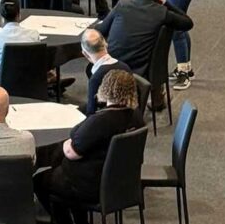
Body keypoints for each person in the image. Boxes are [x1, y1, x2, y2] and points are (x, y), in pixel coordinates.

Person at [34, 70, 145, 224]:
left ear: (105, 89)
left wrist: (67, 143)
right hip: (117, 181)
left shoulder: (101, 121)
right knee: (58, 165)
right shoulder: (137, 118)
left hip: (88, 185)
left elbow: (72, 152)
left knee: (40, 181)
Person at [96, 0, 193, 109]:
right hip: (144, 70)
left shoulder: (121, 7)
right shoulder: (161, 12)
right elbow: (188, 23)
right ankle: (157, 98)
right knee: (154, 54)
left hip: (114, 65)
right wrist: (166, 3)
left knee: (92, 66)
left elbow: (100, 30)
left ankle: (103, 100)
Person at [0, 0, 40, 86]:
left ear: (1, 16)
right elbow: (36, 66)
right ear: (19, 14)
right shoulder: (34, 35)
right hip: (29, 87)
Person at [80, 29, 129, 115]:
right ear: (105, 44)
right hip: (128, 115)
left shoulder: (96, 78)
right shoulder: (125, 67)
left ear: (85, 54)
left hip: (108, 118)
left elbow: (91, 112)